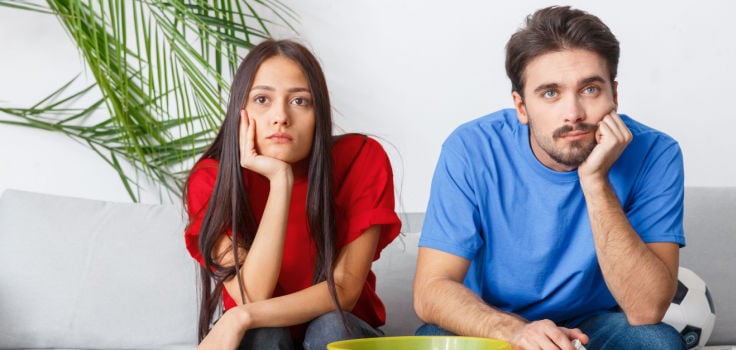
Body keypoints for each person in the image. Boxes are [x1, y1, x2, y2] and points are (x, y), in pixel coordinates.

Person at [413, 6, 686, 350]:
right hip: (494, 322)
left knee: (656, 342)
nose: (573, 114)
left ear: (614, 95)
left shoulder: (655, 153)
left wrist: (595, 181)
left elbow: (646, 309)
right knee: (431, 342)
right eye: (550, 93)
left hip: (594, 324)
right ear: (521, 107)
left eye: (589, 89)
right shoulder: (470, 149)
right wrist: (515, 331)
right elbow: (431, 290)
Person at [183, 39, 401, 350]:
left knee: (329, 327)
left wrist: (238, 317)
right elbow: (252, 294)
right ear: (240, 112)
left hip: (341, 331)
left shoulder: (361, 158)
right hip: (260, 337)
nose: (280, 117)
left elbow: (343, 290)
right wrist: (280, 181)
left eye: (300, 101)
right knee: (263, 333)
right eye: (262, 99)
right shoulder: (213, 179)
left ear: (319, 114)